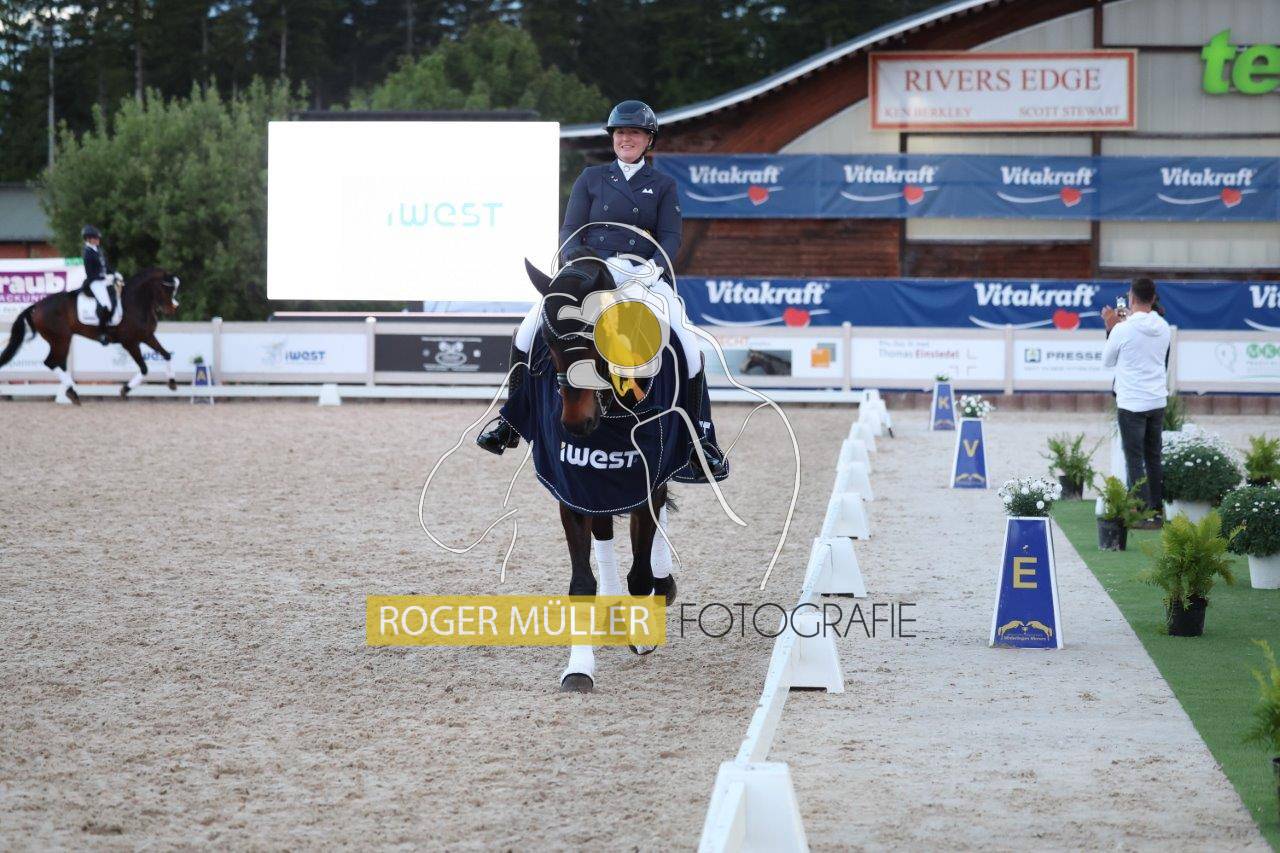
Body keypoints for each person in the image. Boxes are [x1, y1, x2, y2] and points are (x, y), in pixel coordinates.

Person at [477, 100, 727, 482]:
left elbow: (671, 237)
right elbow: (570, 229)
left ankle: (700, 438)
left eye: (635, 133)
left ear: (648, 140)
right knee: (528, 328)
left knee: (688, 342)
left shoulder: (663, 185)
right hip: (591, 269)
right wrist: (574, 263)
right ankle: (509, 422)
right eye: (621, 132)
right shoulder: (591, 178)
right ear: (613, 138)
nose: (626, 139)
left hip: (641, 273)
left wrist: (653, 268)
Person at [1102, 277, 1172, 527]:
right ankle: (1156, 511)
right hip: (1156, 399)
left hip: (1131, 401)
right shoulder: (1163, 326)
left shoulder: (1123, 329)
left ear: (1131, 297)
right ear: (1153, 298)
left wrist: (1111, 327)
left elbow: (1108, 361)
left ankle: (1140, 512)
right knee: (1153, 457)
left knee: (1134, 458)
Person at [81, 225, 117, 345]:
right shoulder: (87, 253)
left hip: (104, 280)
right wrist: (104, 277)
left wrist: (114, 273)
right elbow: (90, 273)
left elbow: (106, 265)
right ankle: (101, 333)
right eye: (95, 238)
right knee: (106, 305)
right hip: (95, 282)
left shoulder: (98, 249)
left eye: (98, 238)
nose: (98, 240)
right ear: (88, 239)